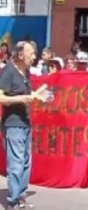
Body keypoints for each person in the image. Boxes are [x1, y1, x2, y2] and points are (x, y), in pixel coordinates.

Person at [0, 40, 38, 209]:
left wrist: (36, 96)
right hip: (13, 124)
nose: (34, 57)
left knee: (25, 162)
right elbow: (1, 97)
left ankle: (21, 196)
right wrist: (20, 99)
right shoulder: (8, 71)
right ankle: (13, 201)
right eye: (31, 54)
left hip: (25, 123)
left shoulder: (26, 73)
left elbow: (27, 95)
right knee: (15, 163)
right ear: (21, 54)